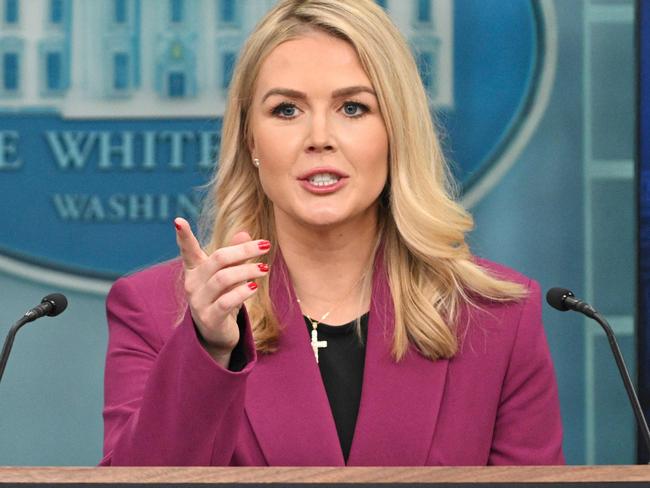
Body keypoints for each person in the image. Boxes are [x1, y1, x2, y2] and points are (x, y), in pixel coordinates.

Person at [101, 0, 564, 466]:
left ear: (396, 131)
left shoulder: (498, 320)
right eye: (286, 110)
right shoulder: (156, 312)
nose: (319, 137)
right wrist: (208, 350)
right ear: (250, 140)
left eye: (352, 107)